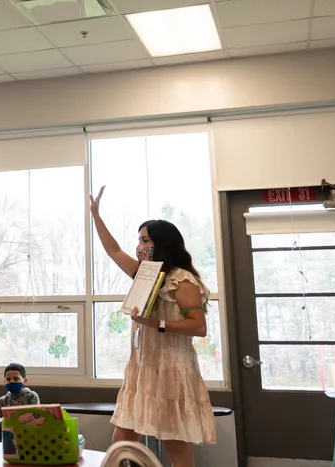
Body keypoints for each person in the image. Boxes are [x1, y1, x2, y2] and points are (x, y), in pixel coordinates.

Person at [90, 186, 215, 467]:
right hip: (143, 368)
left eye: (145, 239)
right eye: (139, 240)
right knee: (121, 443)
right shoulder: (144, 273)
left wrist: (155, 323)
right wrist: (96, 216)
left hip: (171, 368)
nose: (139, 245)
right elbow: (113, 250)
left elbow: (198, 326)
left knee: (176, 448)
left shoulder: (181, 279)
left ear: (162, 243)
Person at [0, 362, 40, 442]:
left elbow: (37, 419)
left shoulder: (31, 396)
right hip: (6, 434)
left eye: (16, 378)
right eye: (8, 379)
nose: (12, 381)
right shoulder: (2, 400)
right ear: (5, 381)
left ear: (24, 381)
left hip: (27, 434)